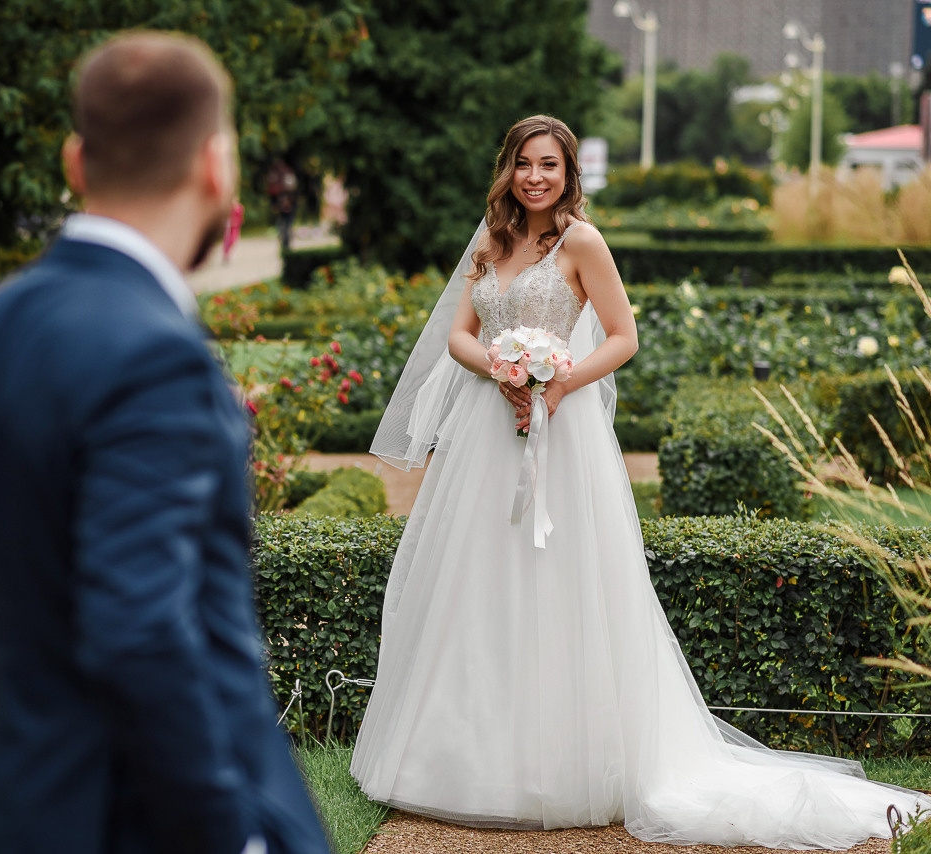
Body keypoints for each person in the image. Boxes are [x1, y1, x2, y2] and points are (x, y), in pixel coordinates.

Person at [351, 114, 926, 848]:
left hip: (563, 432)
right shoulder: (490, 240)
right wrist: (500, 371)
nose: (535, 176)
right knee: (475, 582)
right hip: (487, 432)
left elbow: (623, 336)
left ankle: (565, 762)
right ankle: (459, 753)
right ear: (508, 170)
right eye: (524, 163)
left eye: (549, 165)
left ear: (569, 175)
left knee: (559, 581)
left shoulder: (581, 242)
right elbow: (460, 333)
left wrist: (556, 384)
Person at [0, 32, 332, 854]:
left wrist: (57, 717)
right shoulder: (157, 354)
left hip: (36, 815)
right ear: (216, 167)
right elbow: (138, 628)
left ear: (77, 162)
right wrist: (227, 833)